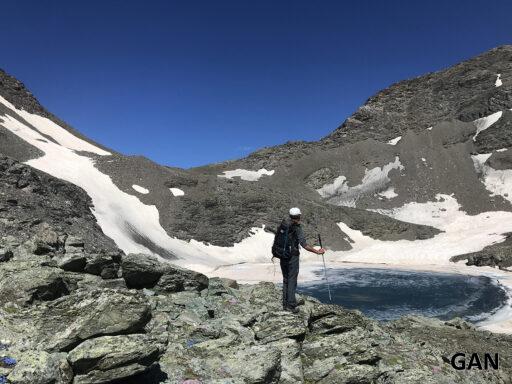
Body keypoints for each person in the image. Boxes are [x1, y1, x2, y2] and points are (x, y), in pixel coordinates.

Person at [277, 207, 325, 313]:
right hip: (292, 257)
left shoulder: (283, 225)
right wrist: (317, 252)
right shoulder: (296, 227)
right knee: (292, 280)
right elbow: (304, 245)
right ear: (299, 216)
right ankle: (291, 305)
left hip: (282, 255)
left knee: (286, 279)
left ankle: (285, 304)